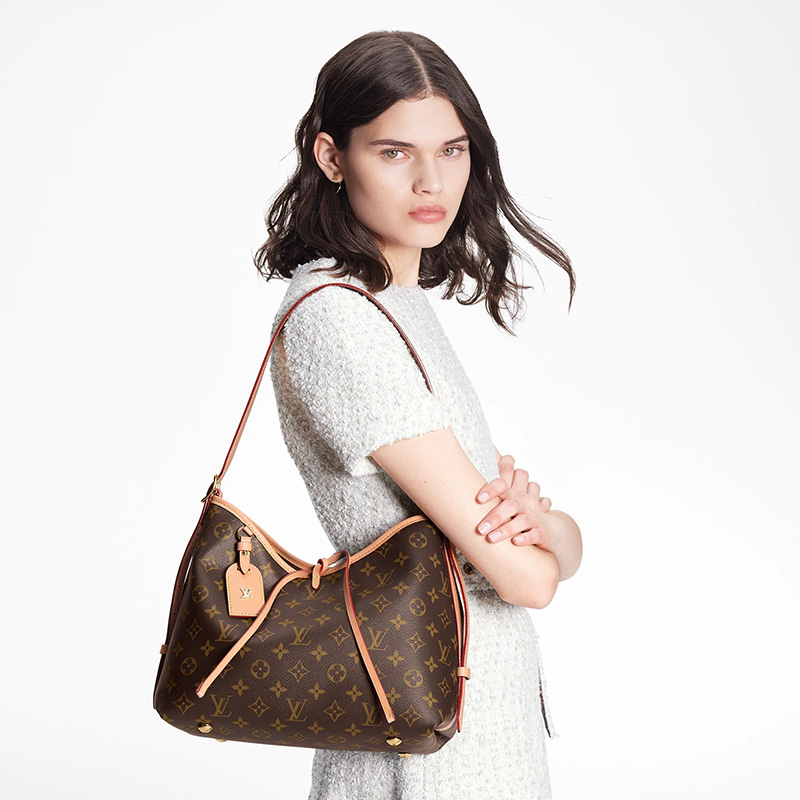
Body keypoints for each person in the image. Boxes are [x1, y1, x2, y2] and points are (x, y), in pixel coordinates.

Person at [255, 29, 583, 800]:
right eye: (395, 152)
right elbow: (529, 578)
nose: (432, 181)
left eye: (453, 150)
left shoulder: (397, 302)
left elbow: (554, 554)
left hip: (472, 729)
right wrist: (540, 538)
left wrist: (547, 527)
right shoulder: (338, 316)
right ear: (333, 157)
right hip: (423, 751)